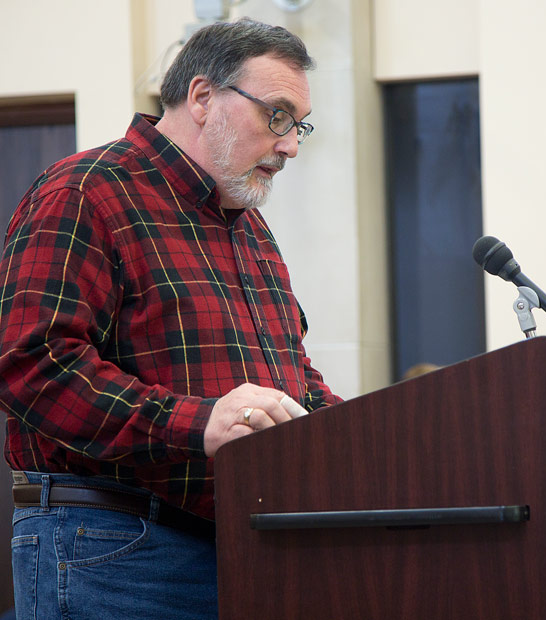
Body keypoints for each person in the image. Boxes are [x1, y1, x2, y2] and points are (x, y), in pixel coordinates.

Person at [0, 18, 341, 620]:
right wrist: (198, 422)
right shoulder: (87, 191)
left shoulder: (247, 225)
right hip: (114, 547)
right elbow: (32, 362)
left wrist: (378, 439)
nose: (290, 145)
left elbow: (293, 380)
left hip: (241, 544)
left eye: (299, 127)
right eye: (278, 116)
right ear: (204, 97)